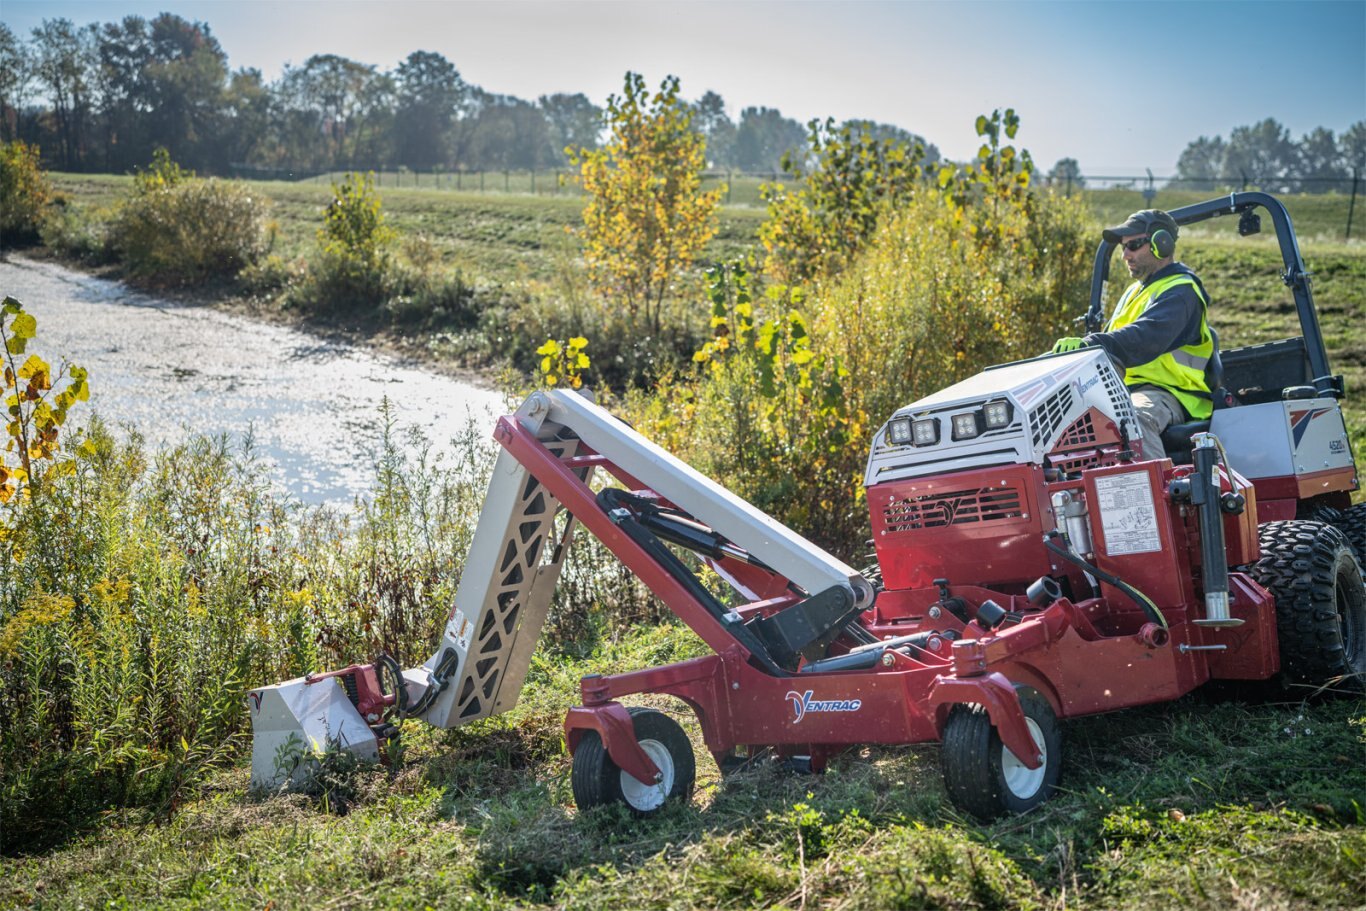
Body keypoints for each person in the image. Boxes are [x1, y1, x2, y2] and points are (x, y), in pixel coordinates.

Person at [1052, 209, 1214, 461]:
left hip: (1168, 394)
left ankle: (1155, 498)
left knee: (1132, 419)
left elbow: (1144, 339)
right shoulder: (1133, 292)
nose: (1125, 254)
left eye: (1134, 245)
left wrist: (1091, 343)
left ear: (1162, 244)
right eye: (1123, 247)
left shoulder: (1182, 292)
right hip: (1122, 391)